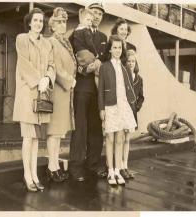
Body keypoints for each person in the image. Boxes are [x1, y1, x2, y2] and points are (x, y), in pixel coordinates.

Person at [13, 8, 55, 192]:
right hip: (27, 92)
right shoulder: (21, 39)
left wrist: (48, 78)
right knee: (28, 137)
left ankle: (35, 174)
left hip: (42, 93)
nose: (38, 23)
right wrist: (38, 81)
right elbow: (23, 63)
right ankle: (27, 174)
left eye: (41, 21)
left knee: (37, 138)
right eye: (35, 20)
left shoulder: (47, 44)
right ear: (29, 22)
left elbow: (52, 65)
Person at [69, 3, 107, 181]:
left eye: (99, 14)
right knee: (80, 128)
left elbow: (106, 61)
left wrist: (99, 65)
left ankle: (93, 164)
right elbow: (73, 57)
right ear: (86, 15)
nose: (97, 16)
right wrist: (85, 69)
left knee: (96, 128)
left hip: (98, 89)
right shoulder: (76, 33)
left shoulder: (103, 37)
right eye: (94, 13)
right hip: (83, 86)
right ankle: (76, 167)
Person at [98, 35, 137, 185]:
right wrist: (101, 109)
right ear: (110, 49)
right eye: (114, 47)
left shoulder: (125, 67)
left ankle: (118, 170)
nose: (117, 50)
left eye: (119, 47)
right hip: (110, 106)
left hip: (123, 105)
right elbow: (100, 89)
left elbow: (129, 88)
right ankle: (110, 172)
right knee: (110, 138)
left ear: (123, 49)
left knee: (120, 138)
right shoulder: (105, 66)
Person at [46, 7, 77, 182]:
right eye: (58, 22)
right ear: (52, 25)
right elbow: (55, 67)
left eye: (64, 21)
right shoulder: (52, 42)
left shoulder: (64, 42)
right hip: (58, 91)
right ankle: (52, 168)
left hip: (65, 93)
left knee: (58, 133)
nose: (62, 25)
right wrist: (69, 81)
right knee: (54, 132)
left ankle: (55, 166)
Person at [122, 50, 144, 179]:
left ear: (136, 63)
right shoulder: (123, 76)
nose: (131, 63)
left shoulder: (139, 79)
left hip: (132, 112)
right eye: (129, 61)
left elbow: (141, 96)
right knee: (120, 139)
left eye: (133, 61)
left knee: (127, 140)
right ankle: (118, 166)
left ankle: (125, 165)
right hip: (123, 111)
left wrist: (136, 107)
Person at [70, 8, 101, 87]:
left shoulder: (103, 36)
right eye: (88, 20)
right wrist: (96, 54)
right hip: (82, 83)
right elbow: (90, 44)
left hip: (80, 56)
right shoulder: (84, 31)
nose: (90, 23)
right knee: (99, 66)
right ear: (81, 19)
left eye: (91, 20)